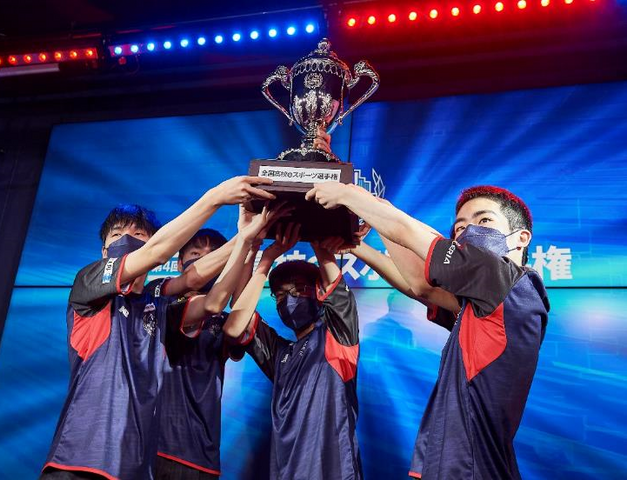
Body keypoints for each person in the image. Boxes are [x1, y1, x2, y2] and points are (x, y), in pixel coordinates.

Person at [306, 181, 550, 479]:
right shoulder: (484, 301)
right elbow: (420, 286)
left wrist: (352, 197)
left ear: (521, 238)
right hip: (457, 463)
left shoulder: (506, 279)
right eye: (460, 227)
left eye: (484, 220)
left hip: (470, 469)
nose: (468, 231)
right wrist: (357, 245)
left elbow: (408, 232)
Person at [41, 176, 276, 480]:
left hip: (135, 467)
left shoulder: (160, 307)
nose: (127, 239)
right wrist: (215, 197)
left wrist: (246, 239)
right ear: (104, 252)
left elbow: (211, 300)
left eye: (138, 233)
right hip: (79, 462)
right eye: (117, 234)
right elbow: (158, 254)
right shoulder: (89, 286)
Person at [156, 204, 291, 479]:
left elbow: (237, 317)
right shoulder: (162, 303)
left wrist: (256, 249)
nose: (205, 261)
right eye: (195, 254)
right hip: (157, 449)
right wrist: (245, 238)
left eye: (213, 255)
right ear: (180, 264)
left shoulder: (223, 322)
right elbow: (212, 303)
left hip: (203, 455)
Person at [223, 224, 363, 480]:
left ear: (318, 293)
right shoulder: (279, 355)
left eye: (297, 289)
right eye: (280, 294)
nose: (288, 298)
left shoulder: (336, 336)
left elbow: (334, 284)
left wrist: (317, 233)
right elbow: (239, 316)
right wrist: (262, 256)